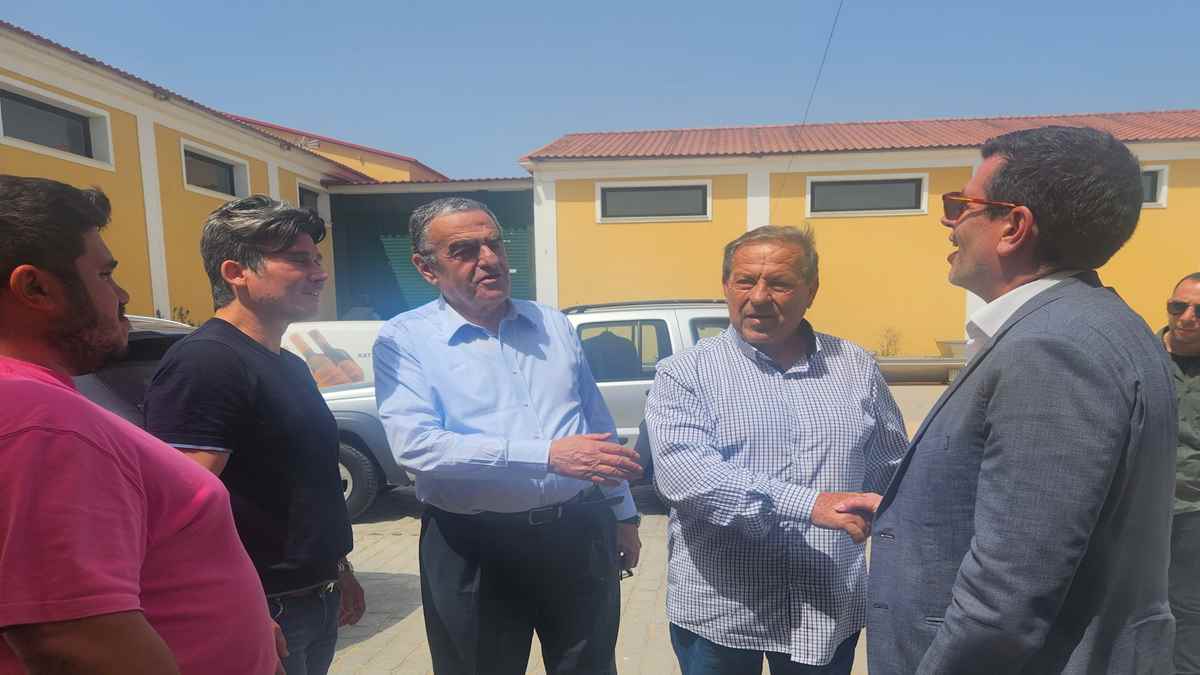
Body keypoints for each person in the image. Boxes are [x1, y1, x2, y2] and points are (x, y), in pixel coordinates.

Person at [864, 126, 1178, 674]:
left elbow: (1007, 597)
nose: (948, 220)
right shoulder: (1100, 321)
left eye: (962, 204)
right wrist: (912, 511)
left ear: (1013, 226)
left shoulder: (1052, 349)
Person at [0, 175, 281, 674]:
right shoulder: (38, 420)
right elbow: (75, 642)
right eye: (105, 274)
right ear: (35, 287)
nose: (123, 293)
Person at [373, 197, 644, 674]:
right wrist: (546, 456)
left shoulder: (553, 324)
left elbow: (594, 429)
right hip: (473, 545)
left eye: (494, 243)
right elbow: (416, 447)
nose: (490, 259)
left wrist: (623, 511)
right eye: (465, 249)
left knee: (589, 667)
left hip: (578, 533)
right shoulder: (404, 339)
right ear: (426, 268)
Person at [645, 225, 909, 674]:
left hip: (825, 604)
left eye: (780, 283)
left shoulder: (855, 366)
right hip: (721, 614)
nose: (760, 296)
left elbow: (892, 466)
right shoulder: (685, 373)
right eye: (745, 281)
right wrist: (811, 505)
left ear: (812, 291)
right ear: (727, 286)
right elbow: (685, 477)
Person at [144, 195, 363, 675]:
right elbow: (177, 515)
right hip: (263, 608)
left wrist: (337, 569)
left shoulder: (289, 365)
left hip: (312, 600)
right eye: (298, 260)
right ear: (235, 272)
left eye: (318, 259)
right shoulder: (207, 362)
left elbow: (303, 484)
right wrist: (238, 611)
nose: (318, 273)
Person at [1160, 272, 1200, 674]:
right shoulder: (1141, 356)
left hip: (1194, 512)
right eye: (1178, 306)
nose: (1187, 317)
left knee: (1189, 612)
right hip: (1138, 510)